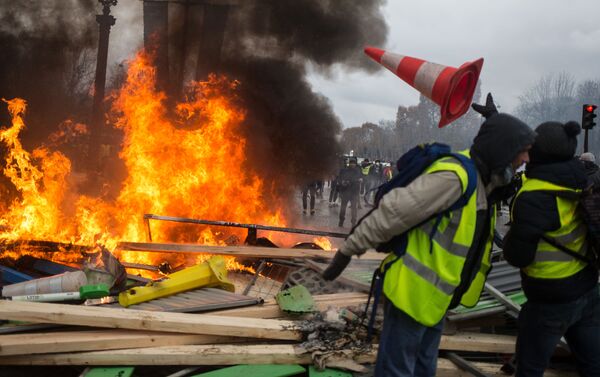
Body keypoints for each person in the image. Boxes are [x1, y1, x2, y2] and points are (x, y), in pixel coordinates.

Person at [322, 93, 536, 377]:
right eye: (521, 152)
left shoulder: (483, 185)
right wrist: (348, 249)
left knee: (423, 369)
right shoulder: (454, 177)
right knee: (397, 371)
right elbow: (392, 214)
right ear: (504, 151)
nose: (525, 160)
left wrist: (495, 123)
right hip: (411, 295)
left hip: (436, 300)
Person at [503, 121, 600, 377]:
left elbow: (518, 256)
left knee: (530, 368)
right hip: (588, 289)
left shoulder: (534, 196)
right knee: (592, 364)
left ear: (537, 153)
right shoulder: (581, 178)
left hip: (550, 298)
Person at [337, 157, 362, 227]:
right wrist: (342, 182)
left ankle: (353, 222)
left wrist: (360, 180)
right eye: (351, 163)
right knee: (343, 208)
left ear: (355, 164)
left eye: (354, 163)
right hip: (345, 192)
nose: (352, 165)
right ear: (349, 163)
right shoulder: (344, 170)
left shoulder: (357, 171)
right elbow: (339, 179)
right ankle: (341, 221)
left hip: (354, 192)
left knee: (354, 208)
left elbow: (361, 178)